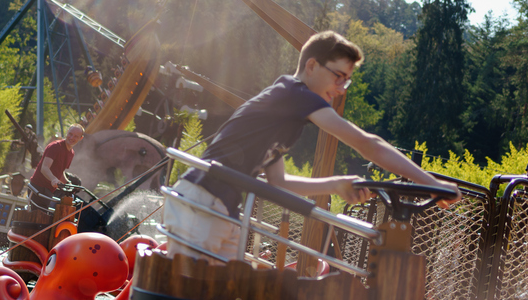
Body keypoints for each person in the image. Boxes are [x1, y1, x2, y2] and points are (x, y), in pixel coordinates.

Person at [164, 30, 461, 262]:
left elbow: (277, 182)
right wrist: (430, 183)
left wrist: (335, 185)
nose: (342, 89)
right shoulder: (295, 94)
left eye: (348, 81)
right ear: (311, 65)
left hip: (220, 206)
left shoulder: (286, 113)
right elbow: (367, 144)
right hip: (202, 201)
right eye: (339, 77)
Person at [28, 124, 85, 209]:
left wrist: (67, 183)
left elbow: (60, 171)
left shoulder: (71, 153)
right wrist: (53, 179)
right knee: (37, 217)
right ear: (67, 132)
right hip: (37, 188)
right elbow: (44, 168)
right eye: (70, 134)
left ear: (81, 138)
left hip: (49, 191)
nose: (72, 137)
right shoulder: (55, 147)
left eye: (76, 136)